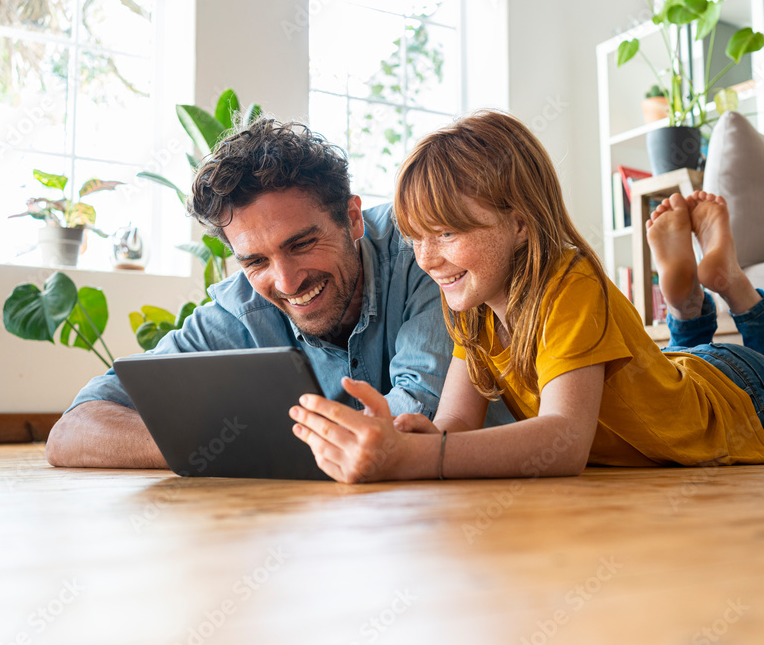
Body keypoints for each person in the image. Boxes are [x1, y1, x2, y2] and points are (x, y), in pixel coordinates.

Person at [289, 110, 764, 483]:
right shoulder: (472, 303)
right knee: (664, 375)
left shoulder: (570, 283)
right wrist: (413, 434)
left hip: (747, 397)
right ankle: (685, 306)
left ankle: (729, 282)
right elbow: (456, 426)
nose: (427, 259)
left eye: (446, 234)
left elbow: (563, 443)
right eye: (415, 238)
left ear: (520, 223)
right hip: (675, 374)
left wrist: (420, 460)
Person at [45, 118, 509, 469]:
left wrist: (257, 443)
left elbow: (415, 422)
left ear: (352, 219)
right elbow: (74, 429)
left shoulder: (426, 253)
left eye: (302, 244)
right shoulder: (238, 308)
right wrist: (215, 448)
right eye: (256, 261)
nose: (286, 283)